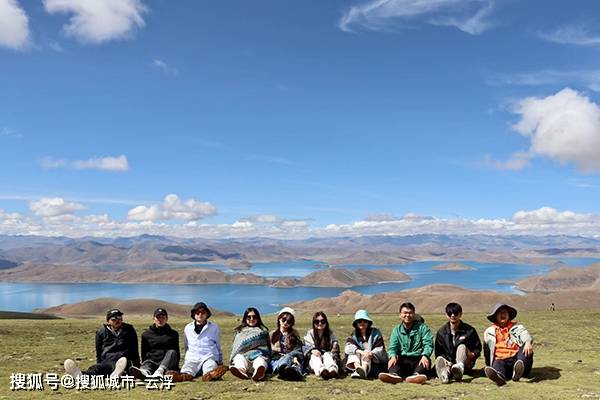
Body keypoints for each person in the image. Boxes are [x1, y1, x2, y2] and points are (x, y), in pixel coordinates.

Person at [64, 308, 140, 379]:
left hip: (123, 360)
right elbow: (99, 350)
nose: (117, 320)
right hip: (107, 361)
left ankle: (117, 374)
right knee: (96, 369)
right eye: (114, 319)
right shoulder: (101, 332)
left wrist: (137, 365)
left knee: (122, 367)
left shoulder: (129, 330)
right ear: (108, 321)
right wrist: (99, 364)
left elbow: (134, 348)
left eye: (120, 318)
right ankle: (80, 375)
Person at [167, 302, 227, 382]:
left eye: (203, 312)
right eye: (197, 312)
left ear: (207, 314)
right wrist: (188, 356)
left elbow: (217, 344)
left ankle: (210, 376)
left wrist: (219, 361)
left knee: (209, 367)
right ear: (194, 314)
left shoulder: (213, 327)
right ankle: (183, 377)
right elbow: (186, 345)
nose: (200, 314)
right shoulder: (188, 328)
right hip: (193, 357)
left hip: (209, 356)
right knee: (188, 369)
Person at [378, 302, 432, 385]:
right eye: (405, 313)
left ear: (414, 314)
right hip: (402, 359)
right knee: (393, 360)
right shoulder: (396, 330)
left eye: (410, 313)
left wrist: (425, 355)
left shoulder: (422, 328)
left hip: (418, 358)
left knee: (425, 361)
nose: (407, 315)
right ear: (400, 315)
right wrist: (392, 356)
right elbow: (393, 347)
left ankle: (416, 376)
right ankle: (394, 376)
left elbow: (428, 344)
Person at [483, 303, 534, 386]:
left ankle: (518, 372)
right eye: (500, 313)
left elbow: (524, 334)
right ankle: (499, 377)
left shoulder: (517, 328)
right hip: (500, 359)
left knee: (525, 347)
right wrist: (489, 365)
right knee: (498, 363)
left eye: (505, 312)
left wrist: (528, 342)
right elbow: (486, 351)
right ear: (495, 316)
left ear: (509, 315)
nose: (502, 315)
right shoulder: (489, 332)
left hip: (517, 359)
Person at [434, 302, 482, 383]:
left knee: (462, 346)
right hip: (449, 361)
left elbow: (478, 348)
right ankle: (446, 374)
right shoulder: (441, 332)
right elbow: (438, 352)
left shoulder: (470, 331)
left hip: (466, 362)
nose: (453, 315)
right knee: (441, 360)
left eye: (455, 313)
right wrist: (445, 361)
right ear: (446, 315)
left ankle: (459, 368)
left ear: (460, 314)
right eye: (450, 313)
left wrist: (473, 355)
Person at [129, 307, 180, 379]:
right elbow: (144, 352)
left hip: (166, 363)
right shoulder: (146, 334)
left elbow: (176, 353)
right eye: (158, 317)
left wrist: (175, 367)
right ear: (154, 319)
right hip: (151, 361)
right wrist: (144, 362)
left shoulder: (173, 334)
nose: (160, 319)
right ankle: (144, 372)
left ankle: (159, 371)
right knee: (147, 363)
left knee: (172, 352)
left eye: (163, 317)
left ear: (167, 319)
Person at [229, 307, 270, 381]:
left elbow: (267, 349)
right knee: (238, 358)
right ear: (245, 318)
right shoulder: (239, 331)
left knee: (260, 361)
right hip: (244, 358)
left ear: (258, 318)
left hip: (259, 356)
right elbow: (235, 348)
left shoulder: (263, 331)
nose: (252, 319)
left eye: (254, 317)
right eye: (249, 317)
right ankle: (242, 372)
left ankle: (258, 374)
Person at [344, 309, 387, 379]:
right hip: (358, 359)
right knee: (353, 353)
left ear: (368, 322)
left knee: (367, 352)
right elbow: (348, 348)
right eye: (359, 321)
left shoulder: (376, 333)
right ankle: (357, 368)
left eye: (365, 321)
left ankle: (363, 370)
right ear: (356, 323)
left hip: (373, 360)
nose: (362, 323)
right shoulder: (353, 335)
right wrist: (360, 351)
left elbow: (380, 348)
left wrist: (371, 353)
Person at [303, 311, 341, 379]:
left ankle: (333, 371)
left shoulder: (331, 334)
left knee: (327, 355)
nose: (320, 323)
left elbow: (335, 350)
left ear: (326, 322)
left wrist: (331, 355)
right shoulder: (310, 333)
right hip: (314, 359)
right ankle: (322, 371)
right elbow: (306, 347)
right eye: (317, 322)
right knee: (314, 356)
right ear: (314, 323)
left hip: (329, 358)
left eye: (322, 321)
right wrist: (312, 350)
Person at [269, 307, 304, 381]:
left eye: (289, 321)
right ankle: (283, 369)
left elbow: (298, 348)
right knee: (287, 358)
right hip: (277, 360)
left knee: (296, 365)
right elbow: (269, 350)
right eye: (283, 320)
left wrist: (295, 357)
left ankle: (292, 373)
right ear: (279, 319)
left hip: (292, 359)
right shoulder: (272, 334)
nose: (285, 323)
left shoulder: (294, 333)